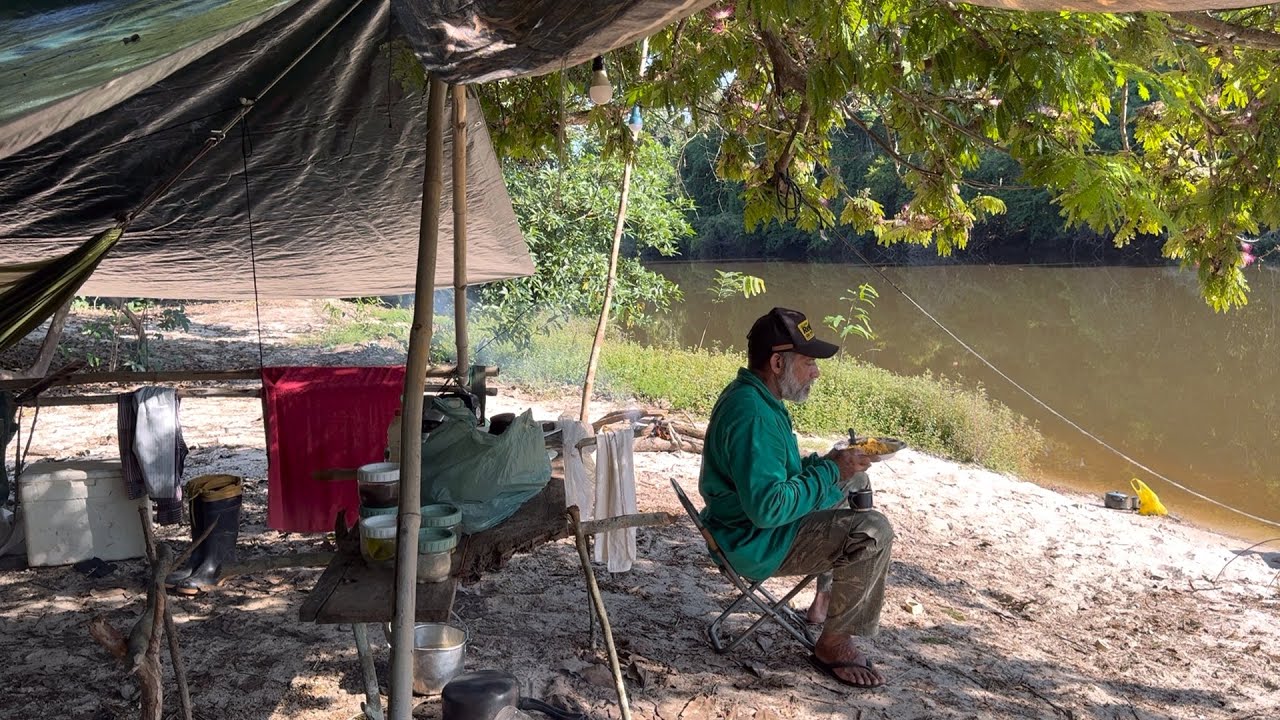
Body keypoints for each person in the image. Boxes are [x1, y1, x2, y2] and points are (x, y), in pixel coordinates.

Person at [698, 307, 894, 689]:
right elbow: (769, 507)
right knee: (873, 532)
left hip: (747, 527)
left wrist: (832, 465)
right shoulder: (753, 415)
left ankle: (826, 599)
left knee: (853, 483)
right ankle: (834, 643)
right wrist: (829, 471)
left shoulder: (755, 398)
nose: (816, 372)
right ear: (776, 362)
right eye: (808, 363)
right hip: (756, 542)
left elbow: (776, 475)